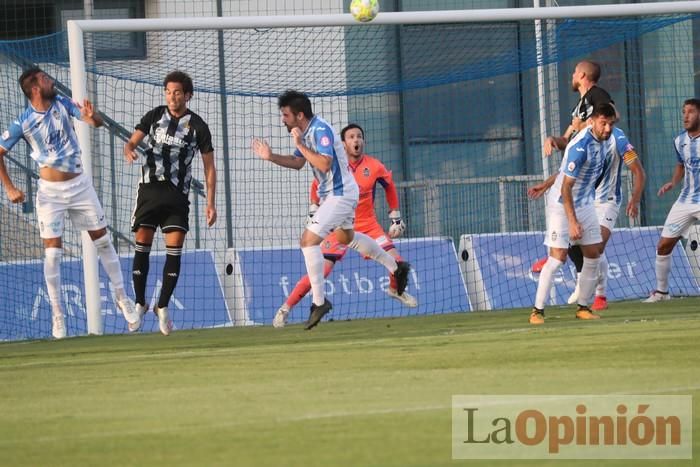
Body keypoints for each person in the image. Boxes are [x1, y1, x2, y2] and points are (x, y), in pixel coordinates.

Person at [0, 67, 140, 339]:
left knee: (103, 242)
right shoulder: (24, 122)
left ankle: (123, 298)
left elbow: (94, 122)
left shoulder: (63, 103)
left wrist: (92, 116)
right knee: (53, 253)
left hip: (80, 186)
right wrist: (9, 188)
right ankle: (57, 315)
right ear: (35, 89)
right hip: (50, 193)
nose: (51, 80)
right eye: (44, 79)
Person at [252, 90, 410, 330]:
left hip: (340, 194)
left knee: (307, 241)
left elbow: (325, 164)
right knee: (346, 238)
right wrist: (271, 156)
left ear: (299, 115)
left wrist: (298, 144)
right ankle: (395, 267)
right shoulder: (306, 132)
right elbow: (298, 163)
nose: (282, 119)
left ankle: (319, 302)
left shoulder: (320, 130)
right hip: (337, 195)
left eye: (285, 115)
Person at [124, 70, 217, 336]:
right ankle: (141, 303)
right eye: (168, 92)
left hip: (177, 196)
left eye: (177, 92)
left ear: (187, 95)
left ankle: (162, 307)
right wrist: (129, 149)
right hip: (149, 191)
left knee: (174, 249)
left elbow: (209, 168)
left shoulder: (197, 126)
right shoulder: (155, 116)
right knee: (142, 244)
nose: (172, 97)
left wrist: (210, 203)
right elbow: (132, 141)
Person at [529, 122, 646, 312]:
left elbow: (638, 170)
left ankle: (599, 295)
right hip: (586, 200)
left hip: (608, 200)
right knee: (583, 245)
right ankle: (564, 261)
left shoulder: (619, 138)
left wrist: (636, 198)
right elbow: (567, 172)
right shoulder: (583, 139)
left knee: (596, 247)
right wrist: (545, 184)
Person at [529, 103, 621, 325]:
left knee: (593, 254)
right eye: (603, 123)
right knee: (557, 258)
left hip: (586, 203)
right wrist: (572, 222)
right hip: (562, 204)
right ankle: (537, 311)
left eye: (610, 124)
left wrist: (544, 184)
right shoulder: (580, 146)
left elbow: (562, 173)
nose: (608, 128)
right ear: (592, 122)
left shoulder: (605, 140)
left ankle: (583, 307)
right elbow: (565, 187)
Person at [532, 60, 615, 302]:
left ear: (582, 74)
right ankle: (585, 292)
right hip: (573, 185)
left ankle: (595, 295)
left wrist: (588, 125)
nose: (571, 76)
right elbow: (566, 142)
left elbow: (612, 115)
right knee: (583, 247)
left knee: (590, 247)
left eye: (573, 72)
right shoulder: (579, 107)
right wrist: (552, 139)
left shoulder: (596, 95)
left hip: (594, 186)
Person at [643, 98, 700, 303]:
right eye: (683, 112)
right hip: (685, 200)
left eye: (691, 112)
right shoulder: (679, 141)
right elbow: (680, 166)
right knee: (663, 246)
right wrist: (673, 182)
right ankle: (662, 292)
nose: (685, 116)